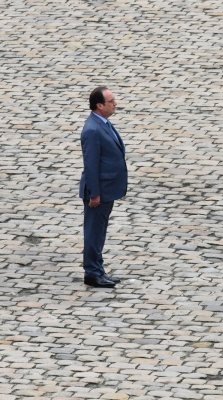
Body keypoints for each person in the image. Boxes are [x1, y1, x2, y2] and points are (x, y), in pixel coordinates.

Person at [79, 87, 127, 288]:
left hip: (108, 189)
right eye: (111, 101)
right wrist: (95, 193)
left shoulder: (103, 123)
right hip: (99, 191)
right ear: (99, 105)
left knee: (99, 232)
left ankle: (98, 270)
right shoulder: (92, 130)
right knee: (94, 232)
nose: (115, 103)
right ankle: (92, 272)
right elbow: (91, 165)